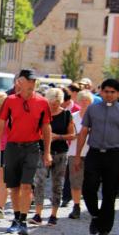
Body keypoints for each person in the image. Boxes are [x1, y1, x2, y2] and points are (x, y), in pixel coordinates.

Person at [0, 69, 52, 235]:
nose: (33, 84)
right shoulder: (10, 100)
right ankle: (16, 218)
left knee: (26, 185)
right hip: (12, 147)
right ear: (20, 82)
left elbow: (46, 128)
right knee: (14, 186)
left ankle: (23, 221)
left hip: (32, 147)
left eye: (34, 81)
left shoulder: (42, 102)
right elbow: (1, 122)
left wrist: (47, 152)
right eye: (29, 80)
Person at [74, 79, 119, 235]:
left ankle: (105, 229)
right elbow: (83, 132)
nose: (109, 95)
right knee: (88, 188)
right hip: (94, 154)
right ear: (101, 92)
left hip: (114, 156)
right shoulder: (92, 109)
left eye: (112, 92)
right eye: (106, 91)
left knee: (109, 194)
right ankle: (95, 215)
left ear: (118, 93)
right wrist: (77, 155)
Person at [30, 88, 75, 226]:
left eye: (56, 102)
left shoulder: (67, 114)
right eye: (51, 102)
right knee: (39, 183)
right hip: (42, 152)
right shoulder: (41, 113)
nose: (53, 105)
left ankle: (53, 215)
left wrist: (58, 137)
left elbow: (72, 135)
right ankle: (38, 214)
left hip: (60, 153)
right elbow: (33, 131)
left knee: (58, 184)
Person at [67, 90, 94, 219]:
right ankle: (76, 206)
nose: (84, 102)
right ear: (78, 101)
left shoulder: (95, 117)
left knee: (90, 183)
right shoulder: (73, 116)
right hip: (74, 153)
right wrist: (76, 135)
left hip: (91, 153)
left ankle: (91, 207)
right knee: (75, 182)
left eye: (87, 100)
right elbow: (69, 134)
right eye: (82, 100)